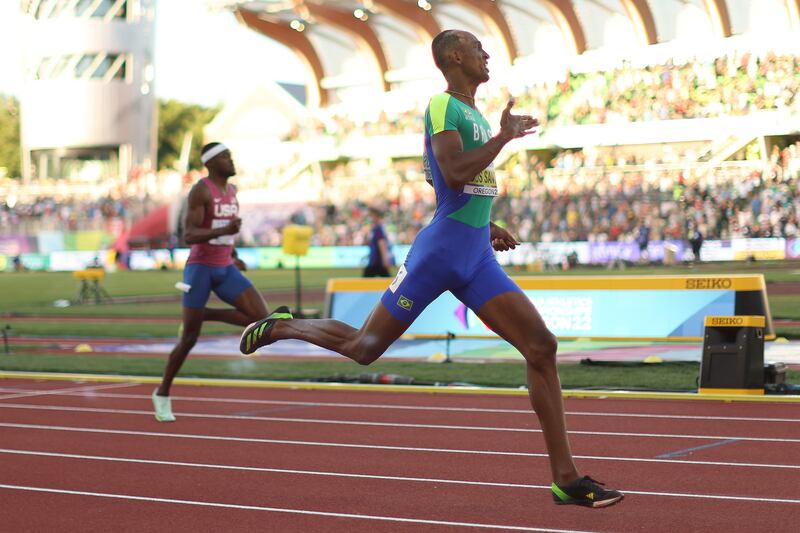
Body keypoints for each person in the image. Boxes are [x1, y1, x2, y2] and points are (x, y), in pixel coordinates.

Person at [239, 30, 623, 507]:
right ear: (455, 57)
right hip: (439, 254)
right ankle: (284, 326)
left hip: (474, 256)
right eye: (479, 49)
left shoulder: (473, 114)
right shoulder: (443, 106)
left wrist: (485, 226)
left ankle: (565, 478)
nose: (487, 56)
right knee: (365, 348)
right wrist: (504, 138)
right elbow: (456, 172)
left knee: (541, 346)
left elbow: (453, 185)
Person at [152, 142, 287, 422]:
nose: (231, 160)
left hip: (225, 266)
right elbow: (189, 234)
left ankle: (206, 314)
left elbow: (227, 234)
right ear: (211, 163)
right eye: (226, 156)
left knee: (263, 319)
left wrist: (233, 254)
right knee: (189, 339)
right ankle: (162, 393)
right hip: (200, 268)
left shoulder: (233, 191)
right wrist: (224, 229)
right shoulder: (201, 190)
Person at [362, 206, 393, 277]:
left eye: (371, 216)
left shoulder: (378, 229)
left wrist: (385, 259)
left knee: (365, 282)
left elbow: (381, 243)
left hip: (377, 261)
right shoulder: (375, 228)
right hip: (375, 261)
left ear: (376, 216)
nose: (370, 218)